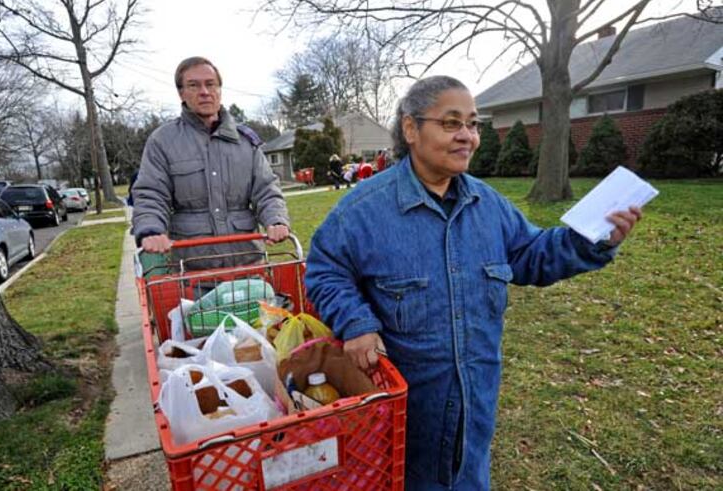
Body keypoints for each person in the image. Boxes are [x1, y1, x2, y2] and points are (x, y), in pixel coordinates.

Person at [304, 76, 641, 490]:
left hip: (476, 401)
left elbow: (531, 254)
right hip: (408, 413)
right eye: (451, 123)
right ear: (411, 129)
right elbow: (324, 270)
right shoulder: (362, 211)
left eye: (473, 124)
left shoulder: (489, 205)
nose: (467, 136)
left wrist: (592, 239)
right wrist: (356, 323)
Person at [132, 56, 289, 269]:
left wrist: (276, 220)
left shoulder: (245, 142)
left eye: (210, 84)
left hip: (248, 265)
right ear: (181, 93)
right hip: (192, 270)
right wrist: (151, 230)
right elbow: (151, 194)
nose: (204, 91)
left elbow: (267, 190)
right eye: (193, 85)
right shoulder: (163, 141)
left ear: (219, 89)